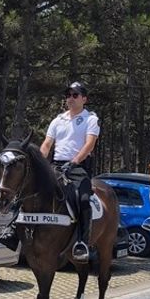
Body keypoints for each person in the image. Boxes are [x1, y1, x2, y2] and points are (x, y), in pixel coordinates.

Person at [39, 81, 101, 261]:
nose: (71, 99)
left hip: (78, 167)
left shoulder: (91, 119)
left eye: (75, 95)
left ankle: (82, 242)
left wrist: (74, 162)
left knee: (83, 200)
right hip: (56, 165)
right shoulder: (58, 120)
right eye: (68, 95)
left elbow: (89, 144)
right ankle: (14, 231)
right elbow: (47, 144)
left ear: (84, 99)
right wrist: (41, 161)